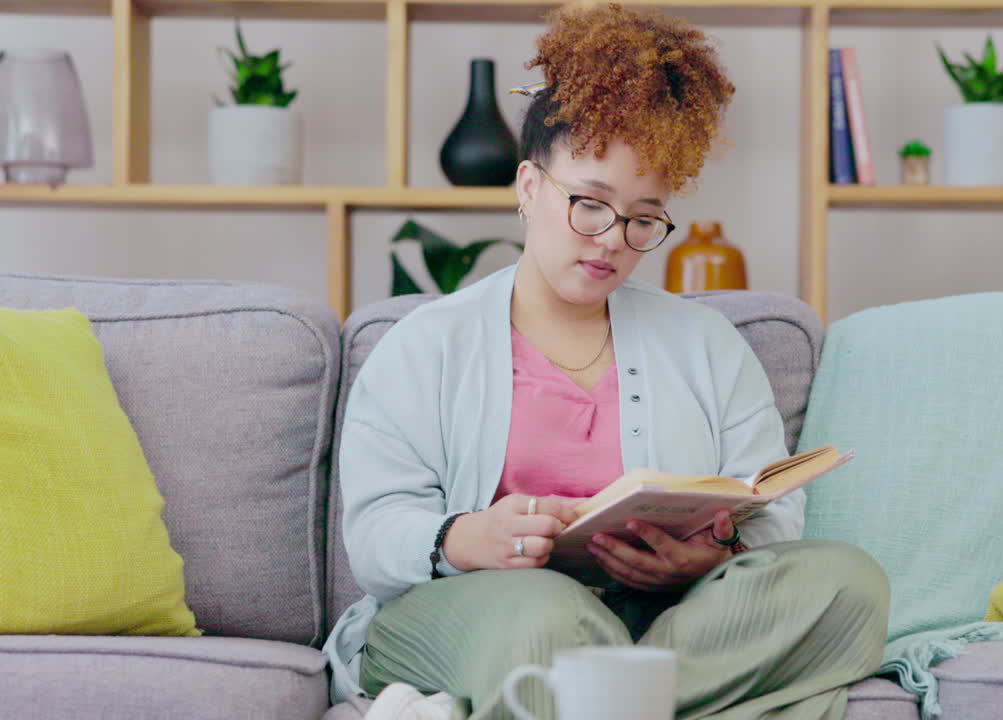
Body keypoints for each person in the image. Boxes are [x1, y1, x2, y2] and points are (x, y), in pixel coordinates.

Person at [322, 4, 889, 719]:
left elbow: (773, 514)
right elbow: (374, 538)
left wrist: (714, 557)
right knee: (547, 617)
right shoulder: (425, 344)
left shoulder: (708, 343)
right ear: (529, 188)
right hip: (479, 613)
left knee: (847, 583)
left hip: (664, 619)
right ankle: (644, 692)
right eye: (589, 205)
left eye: (643, 218)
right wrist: (468, 536)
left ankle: (589, 697)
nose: (612, 239)